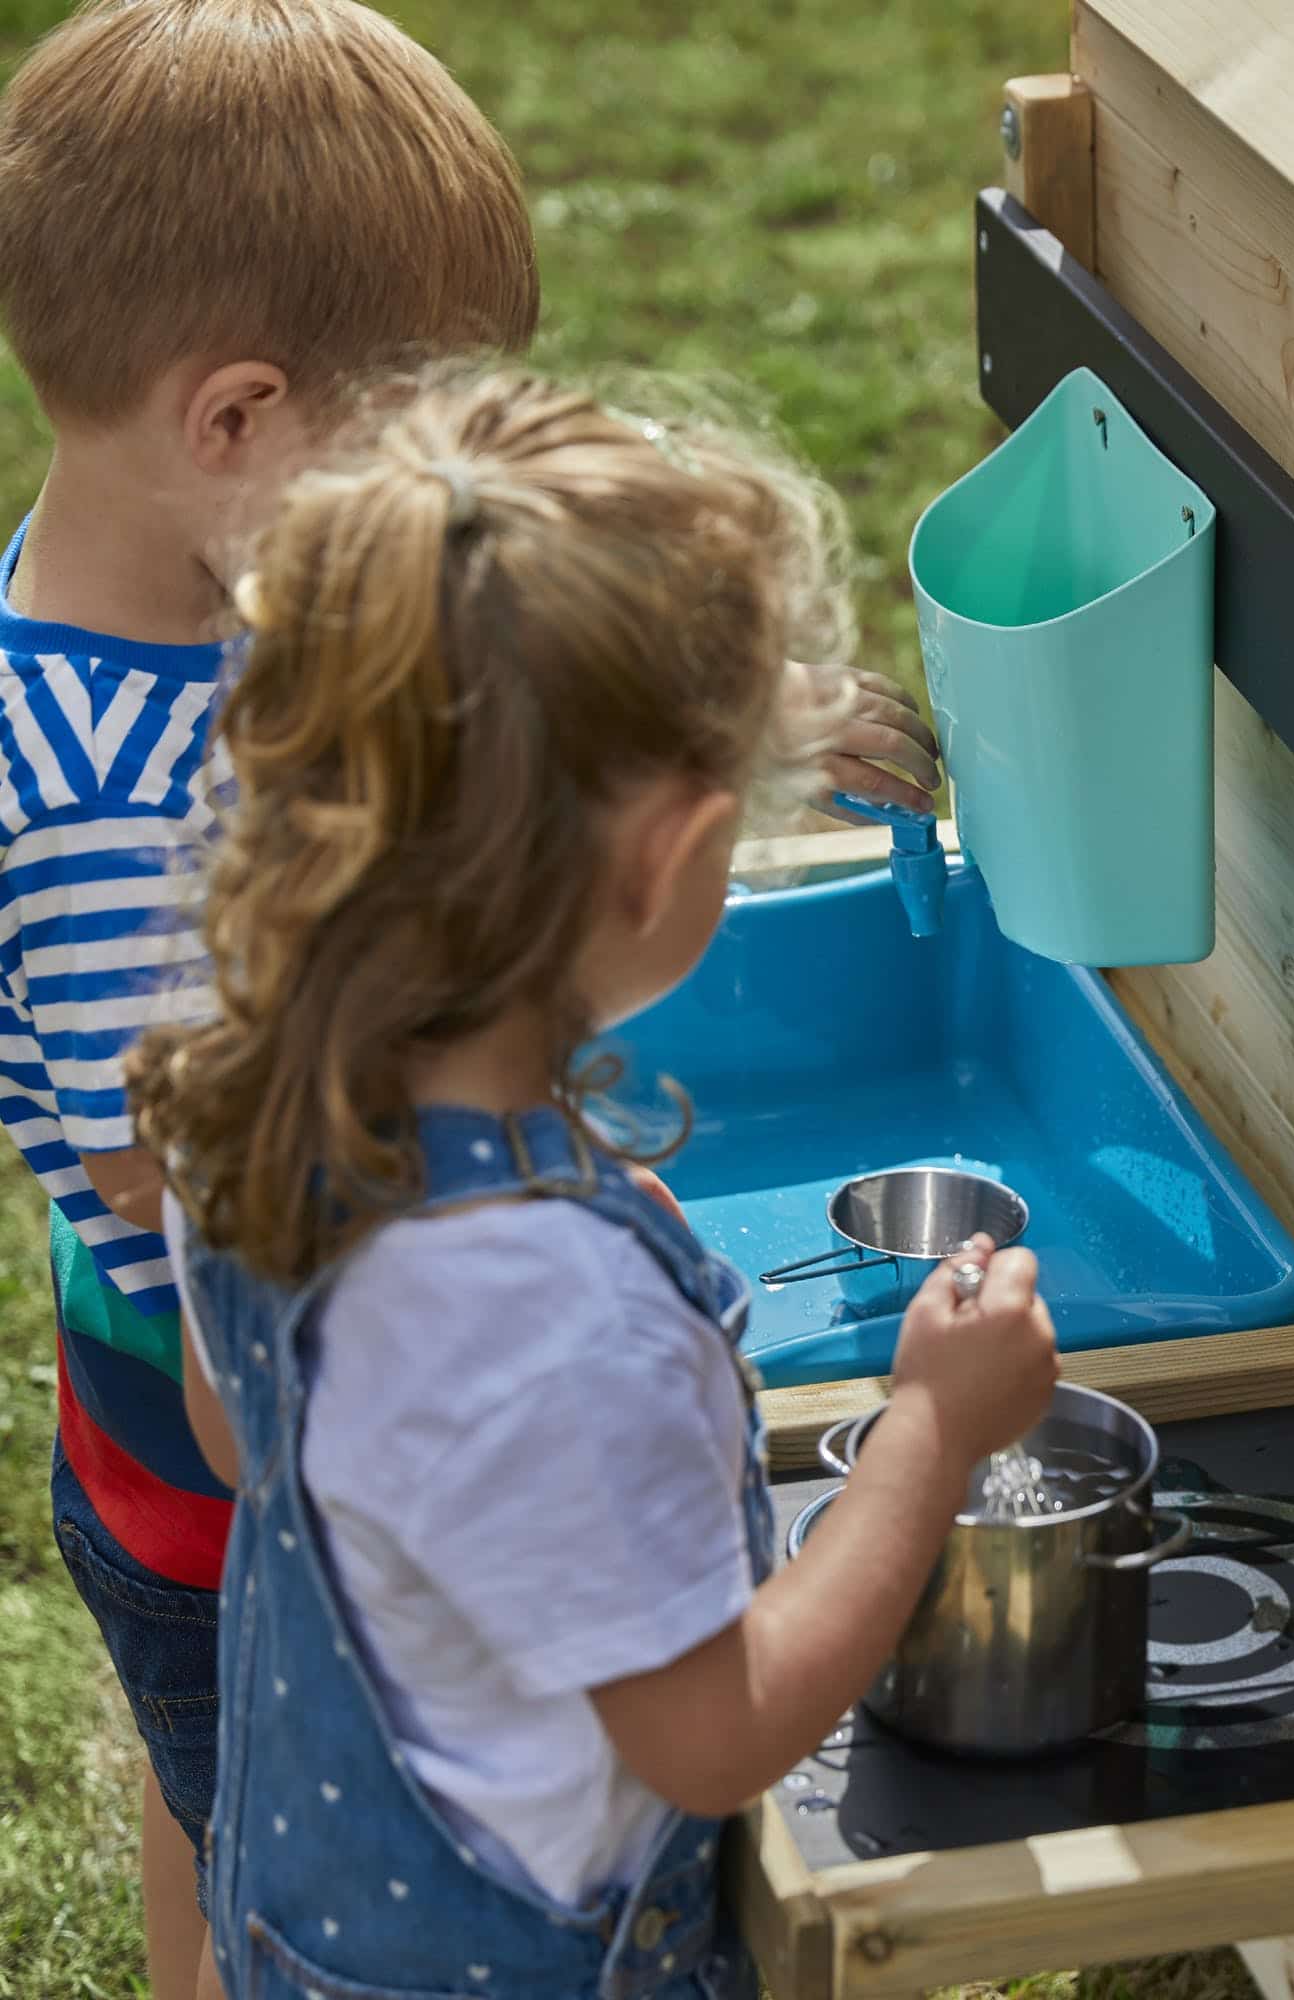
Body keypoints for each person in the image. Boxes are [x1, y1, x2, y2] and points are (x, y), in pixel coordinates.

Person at [0, 6, 937, 1994]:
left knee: (259, 1796)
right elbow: (189, 1232)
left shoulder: (241, 619)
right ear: (236, 418)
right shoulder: (101, 808)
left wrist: (745, 725)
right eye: (403, 425)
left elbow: (450, 718)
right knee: (241, 1749)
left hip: (247, 1405)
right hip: (204, 1453)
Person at [126, 366, 1058, 2000]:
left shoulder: (251, 1084)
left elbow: (237, 1430)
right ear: (665, 856)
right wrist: (929, 1425)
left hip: (306, 1930)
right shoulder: (545, 1314)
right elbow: (718, 1735)